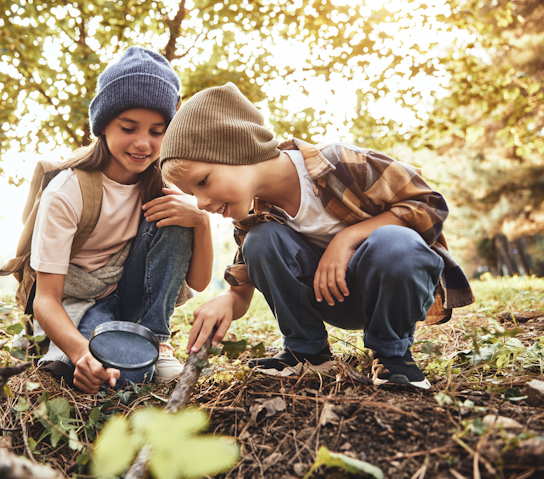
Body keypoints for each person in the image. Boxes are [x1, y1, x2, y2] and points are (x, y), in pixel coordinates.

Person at [159, 82, 474, 389]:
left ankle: (392, 356)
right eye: (190, 193)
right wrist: (227, 301)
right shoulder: (251, 218)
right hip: (330, 300)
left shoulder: (341, 164)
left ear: (238, 150)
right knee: (262, 239)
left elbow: (428, 204)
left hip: (389, 289)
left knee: (396, 242)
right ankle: (308, 353)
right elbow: (242, 290)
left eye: (202, 182)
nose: (200, 203)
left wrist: (347, 238)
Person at [29, 47, 212, 394]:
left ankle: (155, 340)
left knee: (175, 215)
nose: (143, 143)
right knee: (117, 378)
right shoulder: (67, 191)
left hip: (131, 295)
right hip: (79, 301)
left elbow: (199, 282)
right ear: (104, 125)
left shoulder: (162, 186)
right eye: (129, 128)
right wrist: (81, 354)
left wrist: (200, 220)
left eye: (157, 132)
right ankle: (78, 348)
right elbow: (45, 298)